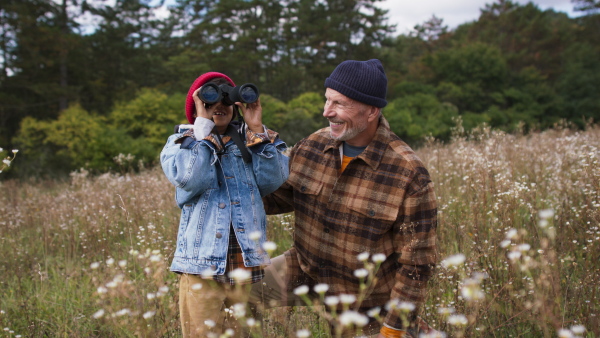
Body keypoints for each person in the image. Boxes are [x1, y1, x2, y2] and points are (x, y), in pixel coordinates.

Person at [250, 59, 438, 338]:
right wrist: (248, 148)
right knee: (238, 294)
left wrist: (393, 329)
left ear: (372, 110)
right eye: (327, 100)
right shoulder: (312, 145)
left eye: (339, 104)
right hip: (306, 269)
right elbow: (276, 199)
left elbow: (417, 264)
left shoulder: (408, 174)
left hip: (366, 301)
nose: (327, 112)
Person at [160, 72, 289, 337]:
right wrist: (202, 129)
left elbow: (273, 180)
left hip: (244, 264)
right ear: (197, 107)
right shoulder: (180, 144)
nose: (219, 107)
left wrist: (255, 129)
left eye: (226, 100)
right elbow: (191, 179)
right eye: (209, 102)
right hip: (201, 268)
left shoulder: (250, 142)